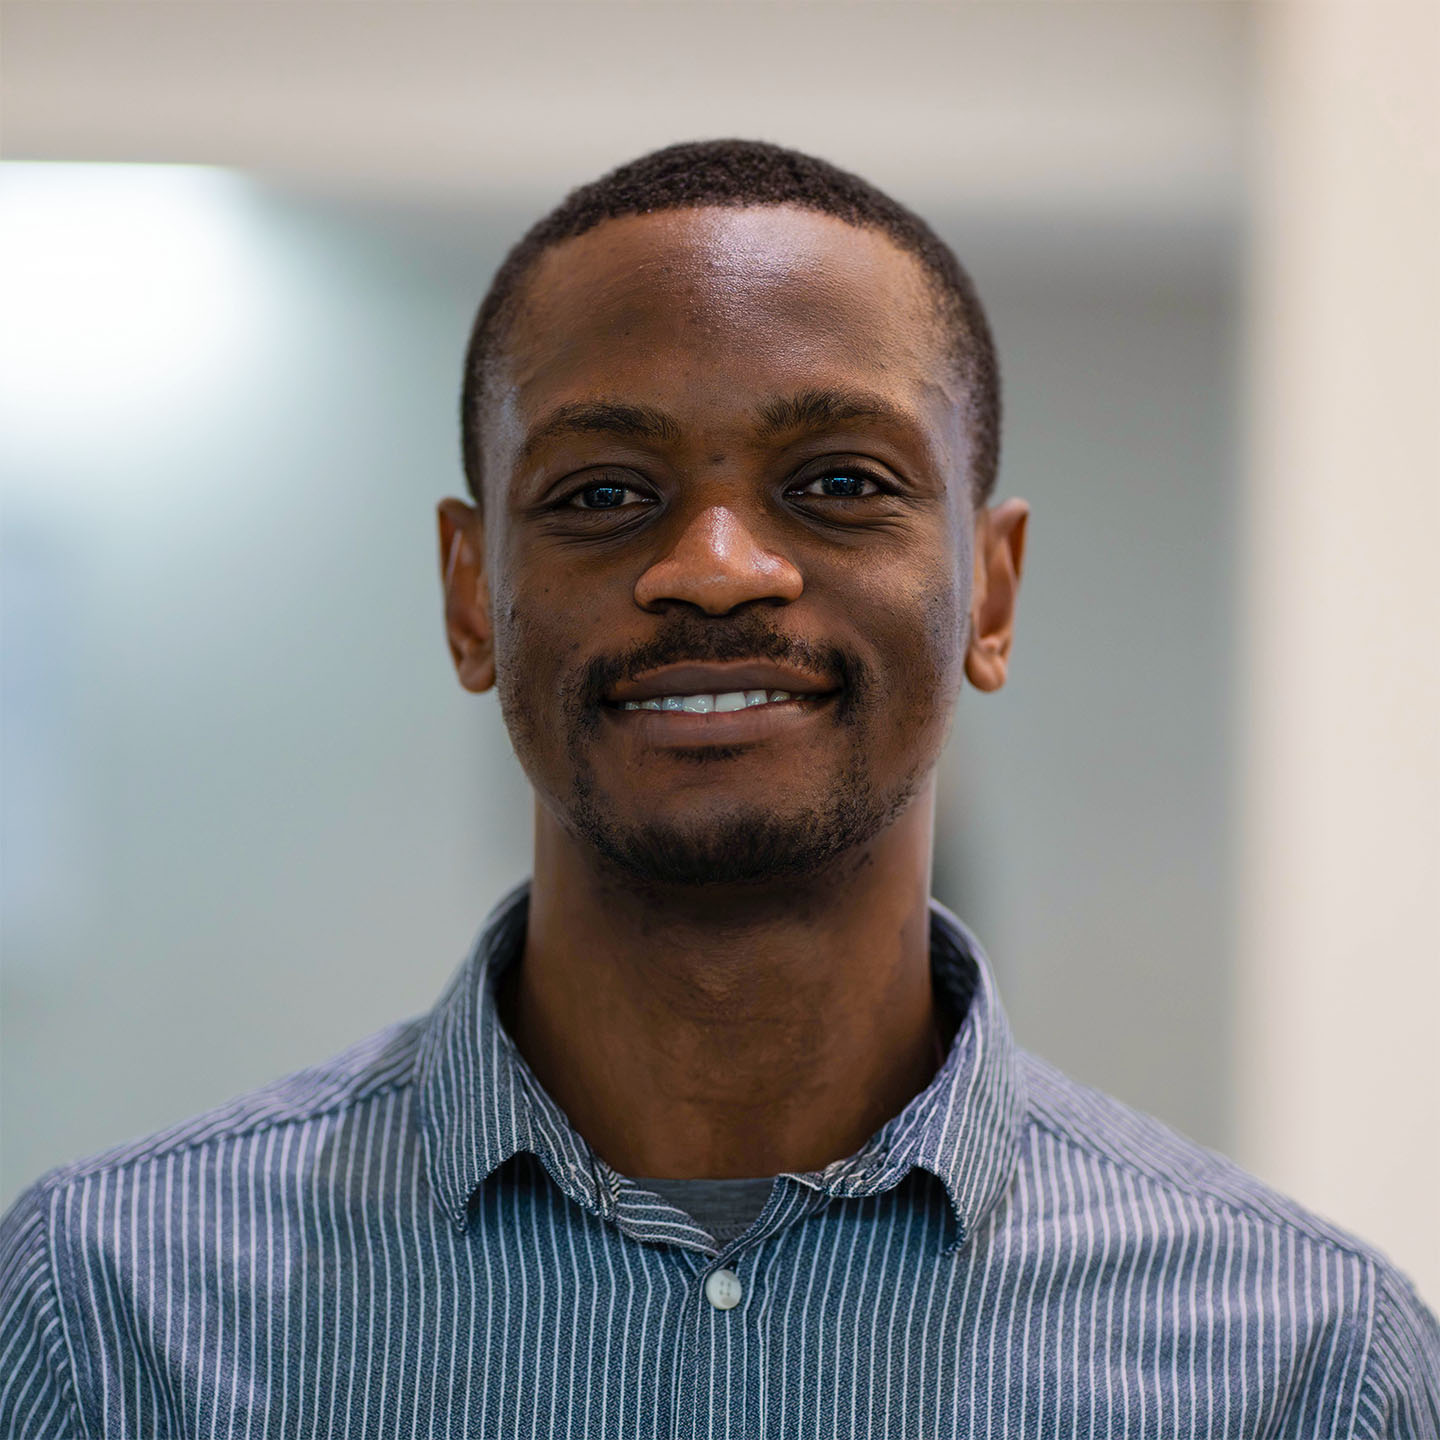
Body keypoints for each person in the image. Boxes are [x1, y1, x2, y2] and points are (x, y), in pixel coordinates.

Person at [2, 139, 1436, 1439]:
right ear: (471, 595)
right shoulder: (116, 1313)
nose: (715, 567)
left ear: (991, 595)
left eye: (840, 481)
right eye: (602, 494)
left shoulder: (1302, 1368)